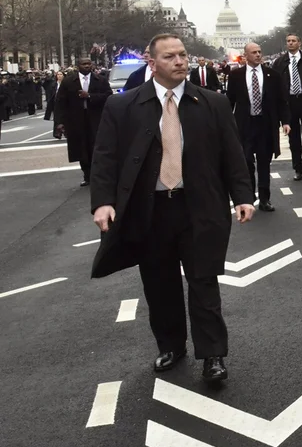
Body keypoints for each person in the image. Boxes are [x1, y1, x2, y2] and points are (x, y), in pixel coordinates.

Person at [89, 34, 255, 382]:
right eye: (170, 57)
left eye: (182, 55)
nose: (180, 61)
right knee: (159, 284)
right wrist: (104, 203)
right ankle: (171, 346)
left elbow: (232, 153)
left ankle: (213, 356)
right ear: (152, 63)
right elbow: (105, 158)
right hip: (150, 211)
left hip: (198, 207)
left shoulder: (212, 102)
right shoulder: (123, 106)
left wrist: (243, 195)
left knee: (204, 283)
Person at [225, 42, 288, 211]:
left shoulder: (272, 75)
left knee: (264, 163)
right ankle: (250, 194)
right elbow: (229, 100)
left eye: (260, 52)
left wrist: (286, 121)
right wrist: (225, 123)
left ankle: (265, 198)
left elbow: (281, 101)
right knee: (246, 161)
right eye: (254, 52)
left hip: (265, 125)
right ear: (245, 55)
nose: (258, 55)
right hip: (245, 125)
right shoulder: (236, 75)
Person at [54, 58, 113, 186]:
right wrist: (59, 122)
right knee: (81, 148)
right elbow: (60, 102)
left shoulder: (100, 80)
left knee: (96, 147)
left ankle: (97, 174)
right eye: (84, 64)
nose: (87, 66)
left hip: (96, 119)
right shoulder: (69, 81)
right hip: (76, 120)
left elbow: (108, 96)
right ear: (78, 66)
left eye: (89, 64)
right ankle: (86, 175)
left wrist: (90, 96)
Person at [271, 33, 302, 181]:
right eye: (288, 41)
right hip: (289, 103)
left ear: (300, 43)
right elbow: (275, 86)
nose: (291, 43)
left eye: (293, 41)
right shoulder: (279, 63)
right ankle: (297, 167)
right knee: (293, 138)